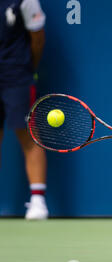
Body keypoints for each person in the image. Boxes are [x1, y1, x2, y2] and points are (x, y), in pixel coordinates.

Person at [0, 0, 48, 220]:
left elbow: (37, 38)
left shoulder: (26, 1)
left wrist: (28, 69)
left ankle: (38, 201)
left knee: (28, 134)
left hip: (17, 74)